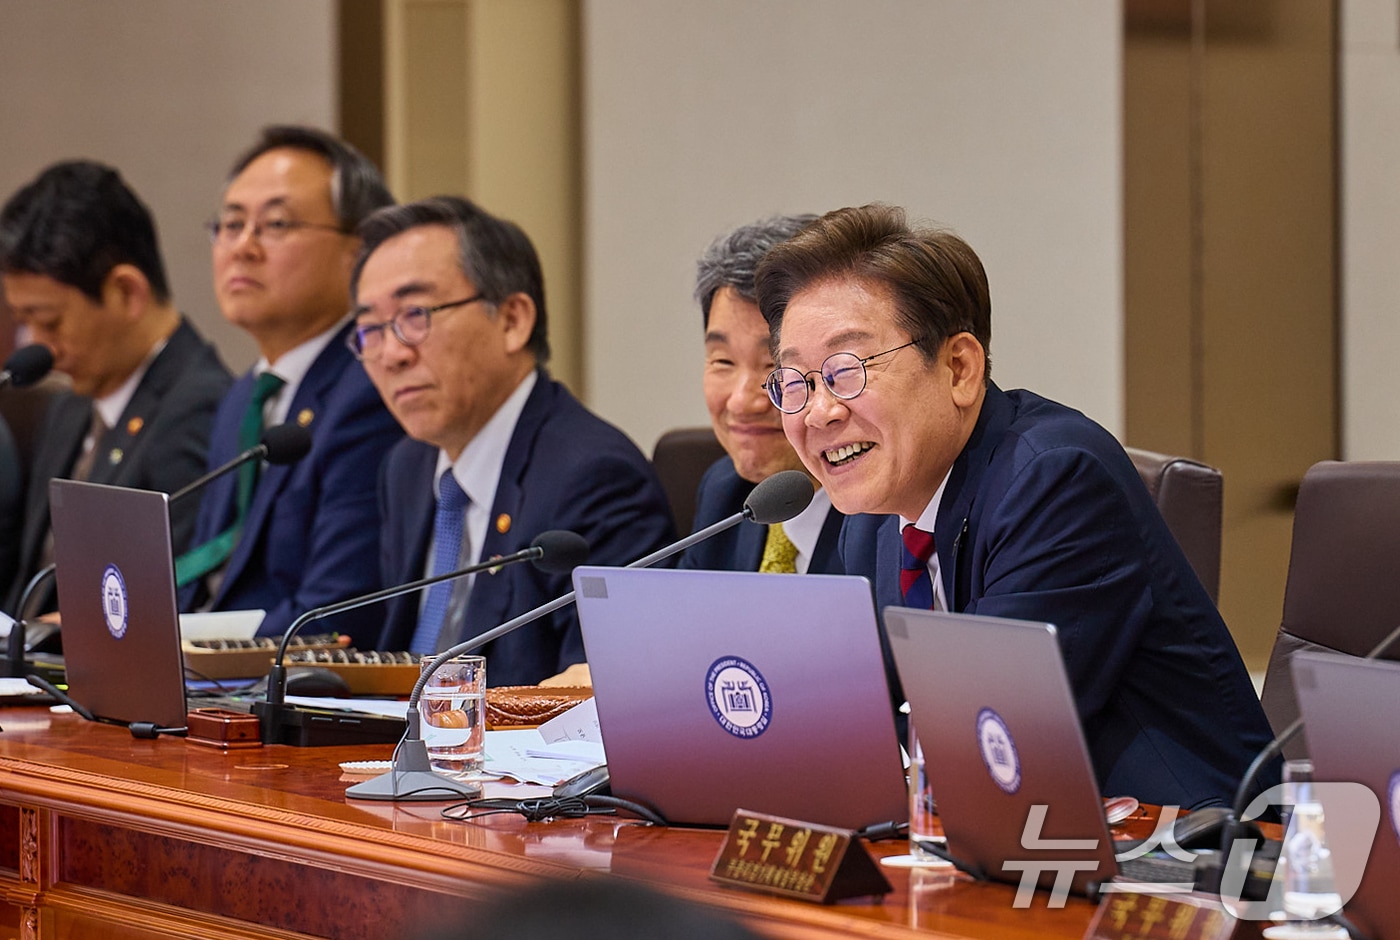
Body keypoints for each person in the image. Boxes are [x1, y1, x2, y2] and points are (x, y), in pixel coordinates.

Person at [754, 204, 1275, 809]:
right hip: (1022, 849)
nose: (818, 411)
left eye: (845, 371)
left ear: (959, 368)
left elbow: (987, 735)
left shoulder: (1056, 480)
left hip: (1192, 856)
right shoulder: (871, 517)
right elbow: (870, 724)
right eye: (795, 382)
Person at [351, 196, 675, 685]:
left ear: (512, 320)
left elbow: (593, 703)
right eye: (370, 329)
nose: (391, 354)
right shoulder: (407, 467)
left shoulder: (596, 478)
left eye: (415, 314)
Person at [177, 126, 403, 641]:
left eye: (275, 224)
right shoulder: (244, 397)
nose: (242, 247)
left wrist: (180, 647)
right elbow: (209, 577)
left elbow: (334, 616)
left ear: (360, 250)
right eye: (231, 224)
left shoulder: (371, 389)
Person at [0, 161, 231, 617]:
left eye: (48, 322)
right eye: (22, 321)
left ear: (127, 293)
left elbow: (164, 603)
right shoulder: (68, 407)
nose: (33, 344)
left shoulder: (198, 407)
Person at [680, 215, 844, 575]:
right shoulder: (724, 492)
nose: (742, 401)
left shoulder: (887, 512)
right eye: (723, 361)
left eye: (774, 365)